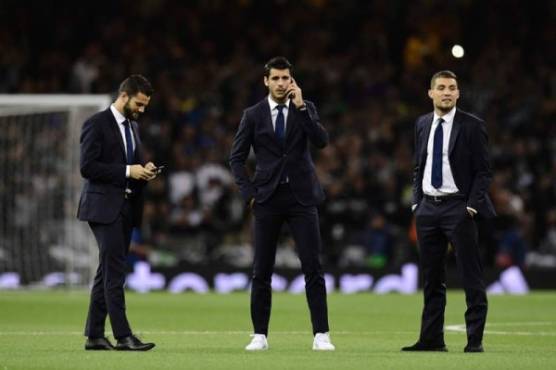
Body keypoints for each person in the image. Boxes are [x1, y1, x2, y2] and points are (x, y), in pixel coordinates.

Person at [229, 56, 334, 351]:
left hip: (302, 197)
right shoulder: (252, 114)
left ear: (292, 81)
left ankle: (321, 334)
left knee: (313, 266)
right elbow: (236, 158)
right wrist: (249, 193)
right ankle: (259, 335)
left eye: (285, 78)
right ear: (266, 81)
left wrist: (301, 108)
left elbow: (322, 141)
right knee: (261, 269)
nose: (280, 83)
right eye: (275, 78)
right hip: (267, 198)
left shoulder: (305, 108)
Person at [402, 70, 496, 353]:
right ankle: (431, 339)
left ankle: (474, 340)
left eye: (451, 88)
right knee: (432, 278)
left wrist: (470, 206)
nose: (446, 92)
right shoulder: (421, 124)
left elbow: (483, 171)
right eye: (440, 87)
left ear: (458, 93)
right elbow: (418, 165)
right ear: (430, 93)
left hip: (458, 207)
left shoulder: (472, 125)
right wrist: (417, 203)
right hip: (428, 209)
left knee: (471, 276)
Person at [78, 74, 158, 351]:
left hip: (124, 206)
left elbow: (131, 165)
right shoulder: (96, 123)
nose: (142, 110)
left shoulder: (132, 128)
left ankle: (95, 335)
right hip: (102, 208)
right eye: (139, 103)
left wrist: (142, 169)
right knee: (115, 272)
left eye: (145, 105)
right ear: (124, 96)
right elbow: (87, 167)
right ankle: (123, 336)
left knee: (107, 271)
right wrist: (127, 170)